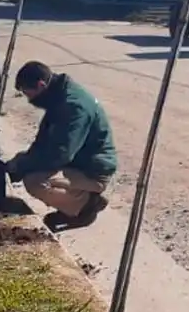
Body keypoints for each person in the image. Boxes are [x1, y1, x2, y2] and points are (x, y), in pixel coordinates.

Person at [6, 61, 117, 230]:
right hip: (78, 162)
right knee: (23, 160)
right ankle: (76, 201)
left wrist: (24, 168)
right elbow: (43, 141)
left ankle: (85, 207)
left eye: (28, 94)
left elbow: (60, 154)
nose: (29, 100)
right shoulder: (58, 96)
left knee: (35, 182)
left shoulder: (73, 107)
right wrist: (21, 163)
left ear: (41, 85)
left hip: (92, 170)